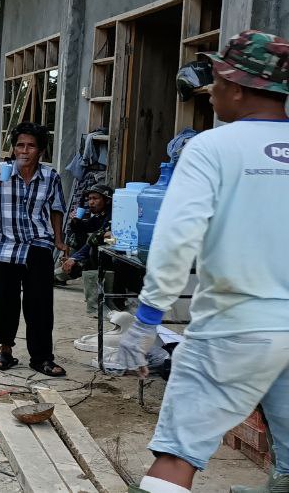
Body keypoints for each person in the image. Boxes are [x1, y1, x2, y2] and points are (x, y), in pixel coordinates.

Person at [113, 30, 289, 493]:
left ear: (236, 86)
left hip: (233, 330)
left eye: (215, 81)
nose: (209, 91)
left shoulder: (210, 149)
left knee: (176, 458)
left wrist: (147, 321)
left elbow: (175, 242)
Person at [0, 121, 69, 377]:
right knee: (5, 302)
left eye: (31, 146)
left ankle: (41, 358)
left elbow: (57, 209)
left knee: (39, 304)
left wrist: (59, 240)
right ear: (14, 149)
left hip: (38, 245)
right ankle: (5, 351)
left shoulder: (51, 177)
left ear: (40, 151)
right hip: (5, 246)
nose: (24, 151)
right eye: (20, 145)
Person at [62, 184, 113, 317]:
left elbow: (94, 240)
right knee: (62, 269)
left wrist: (75, 258)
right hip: (90, 258)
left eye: (95, 198)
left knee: (93, 250)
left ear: (107, 200)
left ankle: (96, 306)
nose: (91, 202)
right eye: (89, 198)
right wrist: (75, 220)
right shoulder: (99, 215)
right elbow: (83, 227)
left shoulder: (113, 214)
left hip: (111, 261)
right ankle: (56, 275)